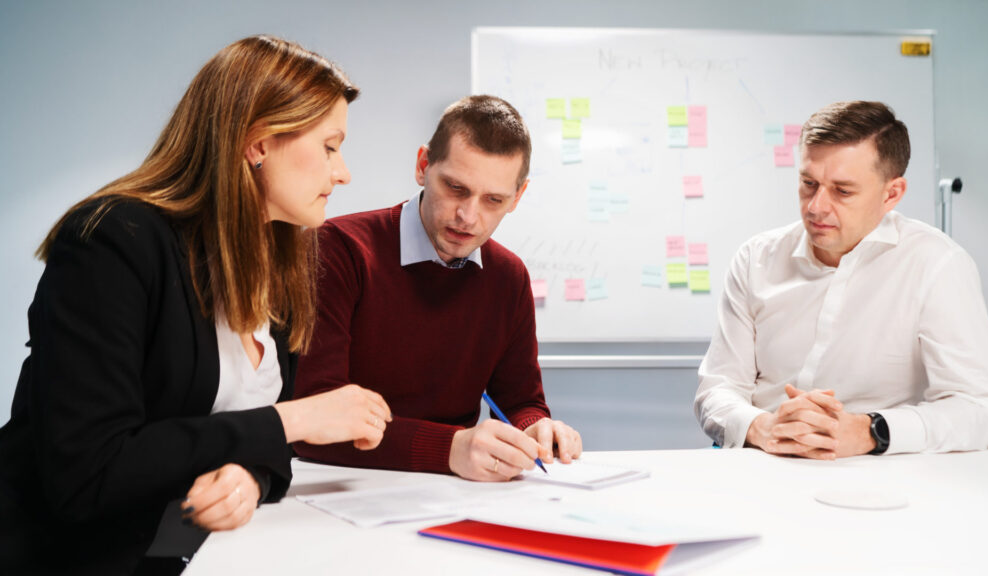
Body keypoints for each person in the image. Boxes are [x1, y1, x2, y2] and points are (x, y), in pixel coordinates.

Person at [0, 36, 392, 574]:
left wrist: (250, 478)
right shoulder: (113, 240)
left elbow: (264, 448)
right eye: (329, 146)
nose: (342, 172)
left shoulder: (279, 257)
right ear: (258, 143)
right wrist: (293, 419)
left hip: (191, 555)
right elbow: (87, 472)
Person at [694, 101, 988, 459]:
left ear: (891, 194)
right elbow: (717, 389)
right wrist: (763, 427)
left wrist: (870, 430)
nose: (816, 207)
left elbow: (983, 411)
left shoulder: (936, 265)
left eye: (842, 191)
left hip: (873, 471)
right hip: (760, 461)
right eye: (808, 183)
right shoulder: (756, 259)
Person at [293, 95, 582, 481]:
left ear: (518, 197)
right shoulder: (338, 250)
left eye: (493, 200)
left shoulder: (509, 277)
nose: (468, 216)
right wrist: (449, 448)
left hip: (455, 490)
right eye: (456, 188)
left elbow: (521, 401)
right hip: (337, 484)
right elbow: (313, 417)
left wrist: (535, 428)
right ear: (423, 166)